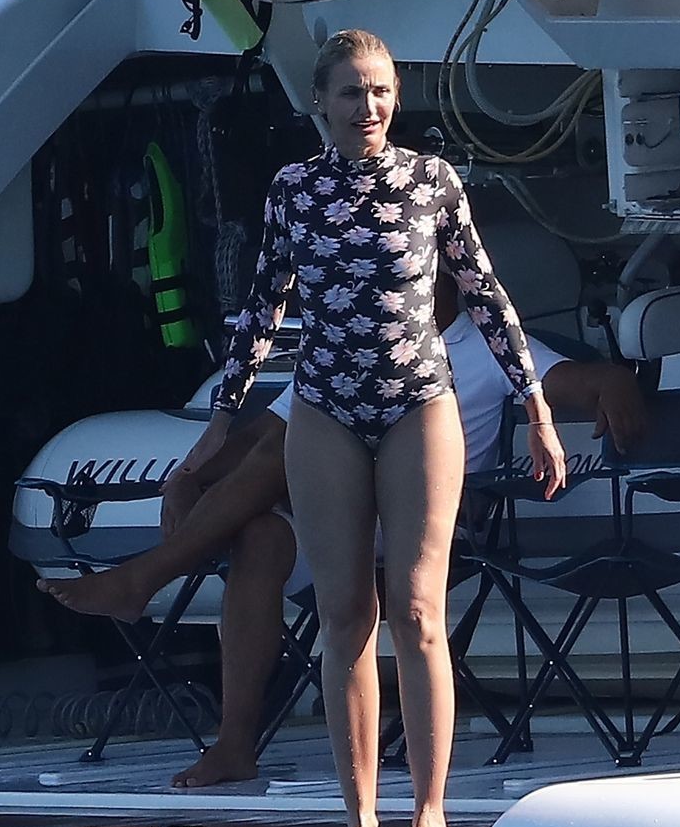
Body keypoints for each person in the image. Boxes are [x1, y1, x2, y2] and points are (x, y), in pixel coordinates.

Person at [184, 29, 565, 827]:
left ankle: (430, 809)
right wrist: (221, 422)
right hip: (326, 407)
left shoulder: (432, 181)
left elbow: (486, 294)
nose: (370, 107)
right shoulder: (295, 190)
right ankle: (360, 818)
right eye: (353, 92)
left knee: (418, 611)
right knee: (344, 614)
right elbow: (262, 306)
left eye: (382, 90)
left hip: (416, 402)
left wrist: (536, 406)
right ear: (319, 102)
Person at [37, 303, 647, 792]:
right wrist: (188, 477)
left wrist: (616, 381)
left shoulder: (485, 346)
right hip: (340, 523)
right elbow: (264, 431)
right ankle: (234, 745)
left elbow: (580, 381)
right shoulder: (351, 342)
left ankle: (146, 577)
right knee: (261, 530)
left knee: (280, 461)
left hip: (427, 536)